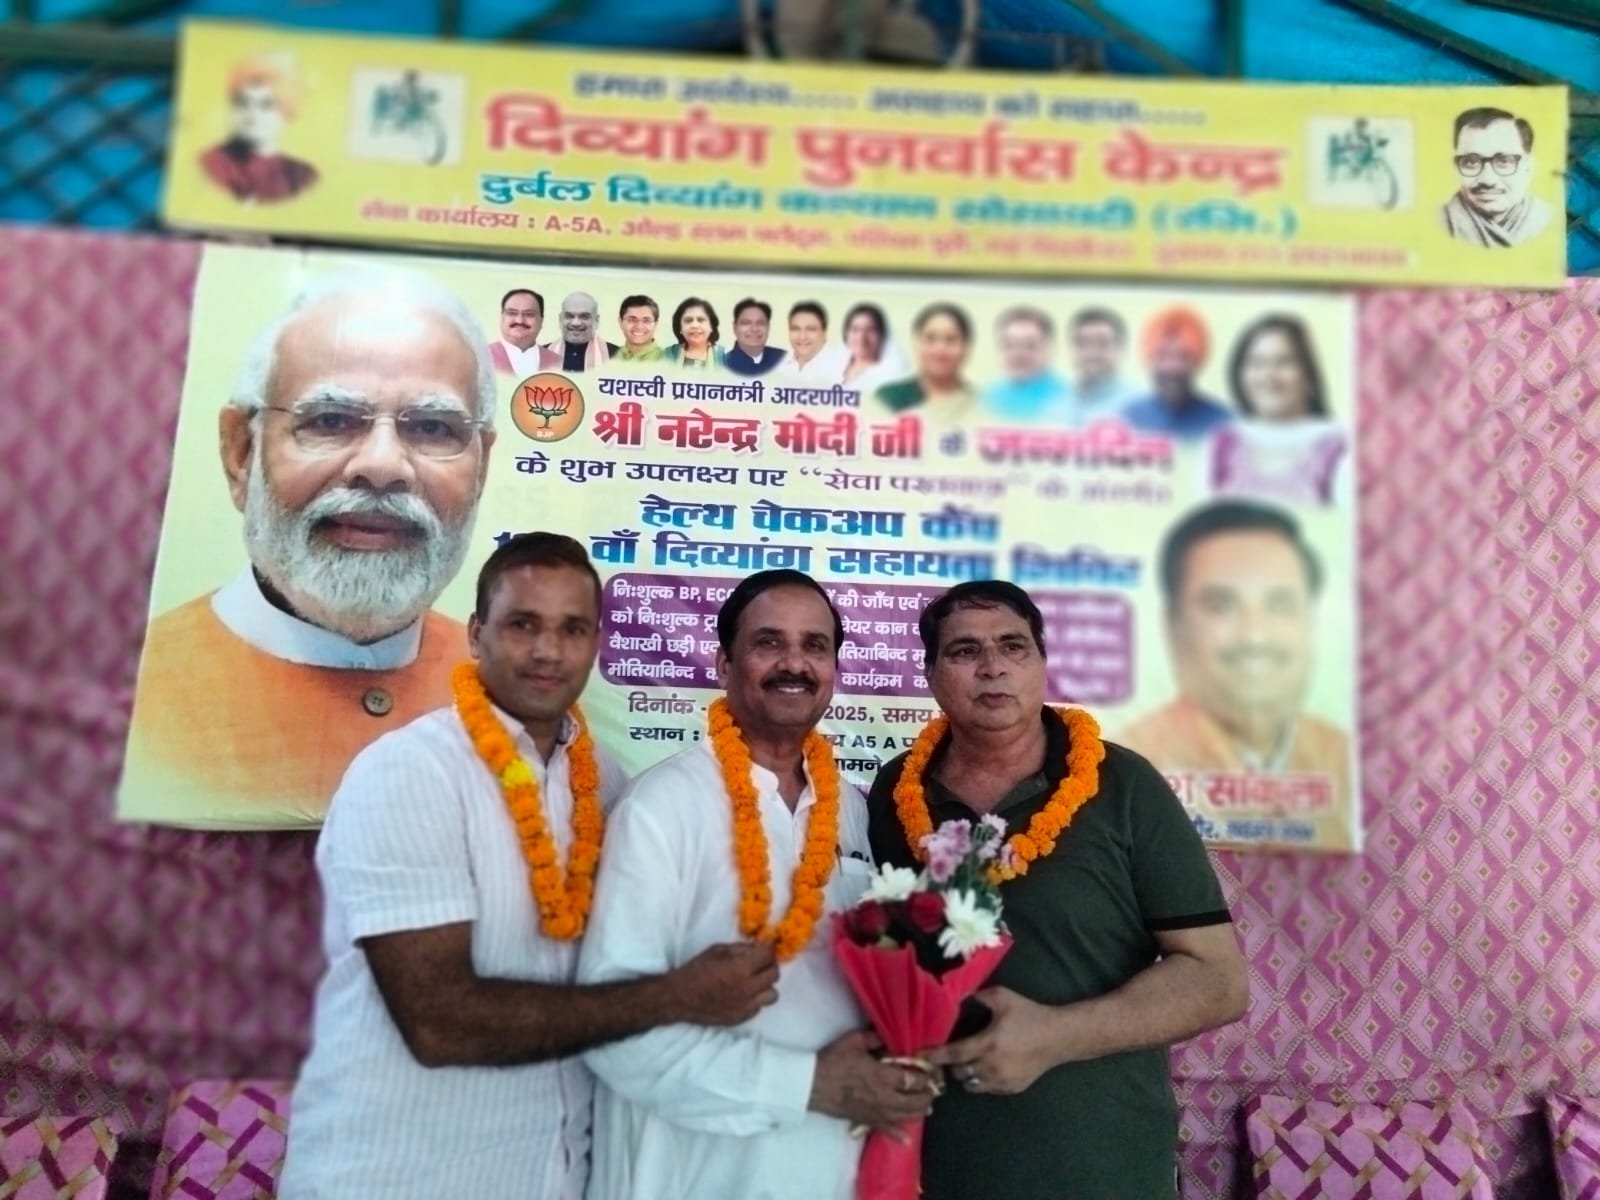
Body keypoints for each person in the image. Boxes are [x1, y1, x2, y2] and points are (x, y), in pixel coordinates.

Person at [280, 534, 783, 1199]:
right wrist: (678, 997)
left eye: (572, 629)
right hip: (397, 1176)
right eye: (523, 624)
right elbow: (438, 1022)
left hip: (552, 1176)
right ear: (476, 634)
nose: (548, 651)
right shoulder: (410, 772)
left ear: (596, 643)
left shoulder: (604, 785)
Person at [866, 580, 1248, 1200]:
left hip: (1099, 1167)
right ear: (931, 675)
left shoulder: (1123, 786)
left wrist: (1055, 1035)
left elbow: (1219, 981)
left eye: (1013, 646)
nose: (992, 667)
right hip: (935, 1167)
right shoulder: (895, 793)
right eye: (964, 651)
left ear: (1042, 664)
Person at [579, 570, 939, 1200]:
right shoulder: (661, 807)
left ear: (835, 669)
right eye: (769, 642)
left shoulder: (851, 811)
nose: (794, 664)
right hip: (697, 1171)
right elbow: (614, 1030)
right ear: (725, 664)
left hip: (831, 1167)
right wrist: (807, 1084)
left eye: (814, 646)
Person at [120, 270, 498, 829]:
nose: (382, 466)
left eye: (433, 428)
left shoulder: (522, 697)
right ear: (241, 452)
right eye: (331, 420)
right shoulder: (121, 697)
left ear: (482, 467)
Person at [1118, 500, 1351, 797]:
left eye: (1280, 605)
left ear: (1311, 621)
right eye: (1221, 606)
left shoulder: (1345, 759)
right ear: (1172, 625)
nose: (1255, 636)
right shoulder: (1124, 769)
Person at [1211, 315, 1348, 506]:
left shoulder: (1339, 447)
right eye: (1257, 363)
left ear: (1308, 374)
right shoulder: (1221, 445)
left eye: (1284, 362)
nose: (1269, 375)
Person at [198, 53, 319, 204]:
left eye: (266, 105)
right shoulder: (211, 163)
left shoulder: (301, 174)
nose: (252, 113)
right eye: (243, 103)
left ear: (286, 111)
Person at [1441, 107, 1553, 249]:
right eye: (1471, 162)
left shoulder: (1548, 221)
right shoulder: (1439, 221)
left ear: (1528, 167)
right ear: (1456, 167)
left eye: (1504, 161)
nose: (1488, 180)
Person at [1120, 306, 1233, 440]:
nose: (1172, 367)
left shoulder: (1221, 420)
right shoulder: (1128, 417)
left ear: (1197, 361)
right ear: (1150, 359)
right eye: (1163, 356)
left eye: (1182, 356)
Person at [873, 302, 976, 418]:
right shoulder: (888, 398)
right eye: (930, 339)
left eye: (951, 340)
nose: (940, 349)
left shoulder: (979, 405)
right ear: (917, 344)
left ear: (966, 347)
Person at [983, 306, 1068, 423]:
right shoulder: (989, 396)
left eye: (1029, 346)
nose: (1018, 354)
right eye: (1009, 345)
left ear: (1049, 350)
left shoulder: (1067, 396)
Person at [1064, 306, 1137, 420]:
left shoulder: (1137, 404)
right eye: (1083, 343)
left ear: (1121, 349)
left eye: (1102, 343)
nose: (1091, 353)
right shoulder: (1058, 401)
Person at [541, 290, 616, 373]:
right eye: (569, 316)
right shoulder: (540, 355)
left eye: (584, 316)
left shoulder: (617, 355)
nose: (575, 323)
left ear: (596, 320)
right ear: (560, 319)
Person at [838, 302, 903, 393]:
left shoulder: (890, 376)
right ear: (846, 333)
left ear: (882, 335)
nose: (861, 337)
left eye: (871, 330)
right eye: (855, 329)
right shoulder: (834, 365)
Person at [780, 301, 848, 383]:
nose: (802, 337)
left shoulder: (841, 369)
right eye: (796, 329)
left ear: (824, 333)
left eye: (811, 329)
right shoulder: (778, 364)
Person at [489, 287, 545, 376]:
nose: (520, 321)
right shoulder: (479, 357)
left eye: (529, 314)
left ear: (541, 321)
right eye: (512, 313)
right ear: (502, 318)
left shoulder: (559, 362)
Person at [724, 297, 786, 376]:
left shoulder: (784, 359)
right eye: (746, 323)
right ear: (735, 327)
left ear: (768, 327)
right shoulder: (722, 365)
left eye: (760, 323)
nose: (754, 329)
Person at [663, 296, 727, 370]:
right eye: (688, 320)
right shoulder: (667, 355)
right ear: (680, 327)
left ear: (711, 327)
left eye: (701, 320)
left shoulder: (724, 357)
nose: (695, 325)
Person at [615, 294, 665, 364]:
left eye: (646, 320)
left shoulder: (668, 359)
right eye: (632, 320)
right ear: (620, 322)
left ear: (655, 324)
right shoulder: (608, 356)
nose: (639, 326)